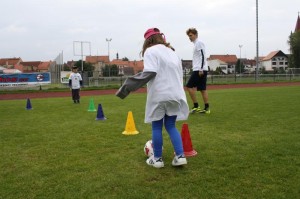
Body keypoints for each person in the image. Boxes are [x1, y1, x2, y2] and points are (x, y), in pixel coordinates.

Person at [116, 28, 189, 168]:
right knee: (171, 125)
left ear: (147, 41)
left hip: (159, 94)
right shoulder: (173, 53)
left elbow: (149, 72)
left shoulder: (150, 51)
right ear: (160, 38)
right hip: (176, 94)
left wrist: (126, 88)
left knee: (156, 126)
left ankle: (157, 159)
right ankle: (180, 156)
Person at [185, 28, 210, 114]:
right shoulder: (196, 44)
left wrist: (201, 69)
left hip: (199, 70)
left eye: (191, 35)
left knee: (189, 86)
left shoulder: (199, 43)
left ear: (196, 35)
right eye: (189, 36)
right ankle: (207, 109)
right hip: (201, 69)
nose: (189, 37)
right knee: (202, 89)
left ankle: (196, 106)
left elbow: (203, 56)